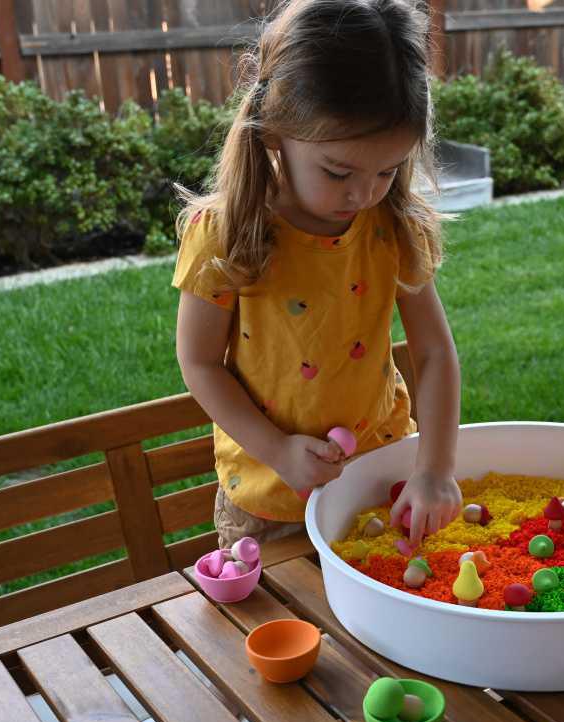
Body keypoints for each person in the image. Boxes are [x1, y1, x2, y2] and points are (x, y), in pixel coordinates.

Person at [173, 0, 461, 551]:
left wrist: (434, 469)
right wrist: (278, 450)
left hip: (383, 483)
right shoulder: (226, 233)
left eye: (388, 169)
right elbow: (199, 362)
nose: (364, 193)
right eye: (338, 171)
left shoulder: (391, 226)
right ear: (276, 130)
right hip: (269, 502)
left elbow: (434, 354)